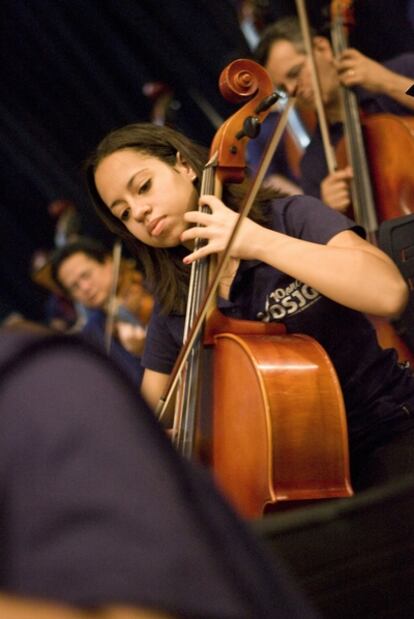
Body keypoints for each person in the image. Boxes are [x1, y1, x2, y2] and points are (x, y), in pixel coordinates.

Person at [84, 121, 414, 493]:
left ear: (185, 167)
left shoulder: (289, 219)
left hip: (391, 430)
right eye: (124, 214)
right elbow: (154, 422)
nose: (139, 212)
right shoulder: (177, 304)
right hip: (293, 482)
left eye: (143, 187)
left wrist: (256, 242)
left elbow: (388, 293)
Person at [0, 326, 317, 618]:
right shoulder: (164, 323)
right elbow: (154, 402)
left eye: (85, 275)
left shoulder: (42, 388)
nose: (84, 287)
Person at [254, 15, 414, 211]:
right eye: (283, 89)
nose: (293, 89)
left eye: (295, 73)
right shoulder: (315, 163)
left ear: (323, 48)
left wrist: (389, 83)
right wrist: (329, 211)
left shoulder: (403, 71)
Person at [50, 237, 153, 385]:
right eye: (74, 287)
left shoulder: (152, 284)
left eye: (86, 275)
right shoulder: (93, 334)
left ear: (108, 262)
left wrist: (150, 349)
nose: (85, 288)